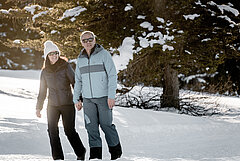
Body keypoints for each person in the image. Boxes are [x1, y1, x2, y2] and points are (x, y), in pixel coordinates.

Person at [73, 31, 122, 160]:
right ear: (81, 42)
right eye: (84, 40)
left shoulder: (104, 55)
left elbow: (112, 75)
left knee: (106, 125)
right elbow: (78, 80)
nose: (87, 42)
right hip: (88, 100)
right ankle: (95, 157)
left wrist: (111, 95)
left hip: (103, 98)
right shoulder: (81, 59)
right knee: (91, 128)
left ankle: (116, 153)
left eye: (90, 39)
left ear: (95, 39)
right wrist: (76, 98)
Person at [36, 40, 86, 160]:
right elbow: (42, 91)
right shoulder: (44, 71)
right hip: (52, 105)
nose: (54, 56)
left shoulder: (65, 66)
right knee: (52, 131)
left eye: (56, 53)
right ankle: (58, 157)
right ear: (47, 56)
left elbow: (75, 83)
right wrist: (39, 107)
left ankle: (80, 152)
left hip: (67, 104)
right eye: (51, 54)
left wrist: (79, 99)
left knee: (69, 131)